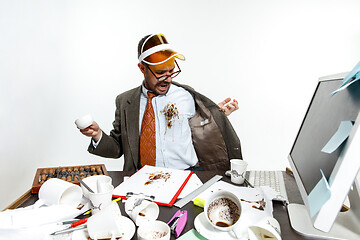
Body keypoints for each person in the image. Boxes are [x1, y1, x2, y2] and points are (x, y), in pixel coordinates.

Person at [78, 34, 242, 171]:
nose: (168, 79)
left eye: (171, 72)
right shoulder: (125, 102)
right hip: (142, 180)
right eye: (160, 73)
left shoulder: (186, 95)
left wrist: (216, 115)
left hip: (188, 176)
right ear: (142, 68)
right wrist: (97, 135)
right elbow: (117, 148)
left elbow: (204, 124)